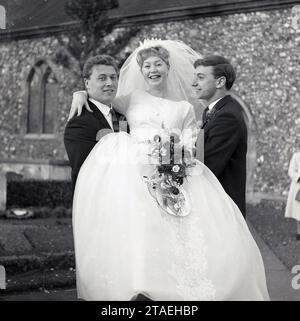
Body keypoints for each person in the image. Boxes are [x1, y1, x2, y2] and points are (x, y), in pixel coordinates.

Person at [70, 39, 269, 301]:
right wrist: (79, 93)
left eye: (158, 64)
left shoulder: (184, 108)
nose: (153, 69)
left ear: (167, 68)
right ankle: (141, 284)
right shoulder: (131, 98)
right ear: (141, 72)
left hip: (172, 174)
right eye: (147, 65)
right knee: (142, 231)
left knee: (179, 235)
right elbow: (101, 97)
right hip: (135, 175)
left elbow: (191, 145)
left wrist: (175, 159)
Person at [192, 56, 248, 217]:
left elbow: (207, 166)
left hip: (222, 210)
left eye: (200, 77)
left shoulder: (227, 117)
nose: (193, 83)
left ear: (220, 82)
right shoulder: (213, 112)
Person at [64, 55, 127, 192]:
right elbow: (87, 172)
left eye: (113, 77)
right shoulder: (79, 122)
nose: (110, 83)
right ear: (87, 83)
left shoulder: (122, 117)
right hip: (96, 202)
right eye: (102, 78)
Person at [285, 150, 300, 240]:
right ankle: (299, 232)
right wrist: (298, 177)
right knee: (298, 211)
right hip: (298, 186)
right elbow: (291, 171)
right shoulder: (296, 156)